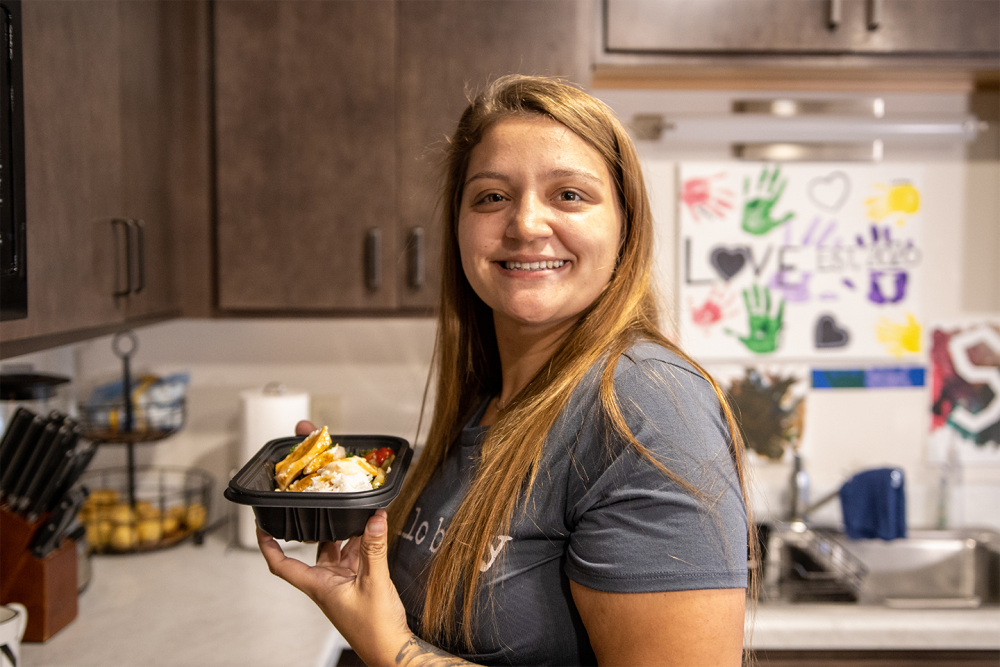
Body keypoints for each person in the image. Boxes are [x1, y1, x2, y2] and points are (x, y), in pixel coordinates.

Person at [257, 75, 753, 667]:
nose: (525, 224)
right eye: (492, 196)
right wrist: (351, 517)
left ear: (624, 226)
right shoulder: (489, 398)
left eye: (569, 194)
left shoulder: (647, 406)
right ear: (460, 226)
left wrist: (391, 649)